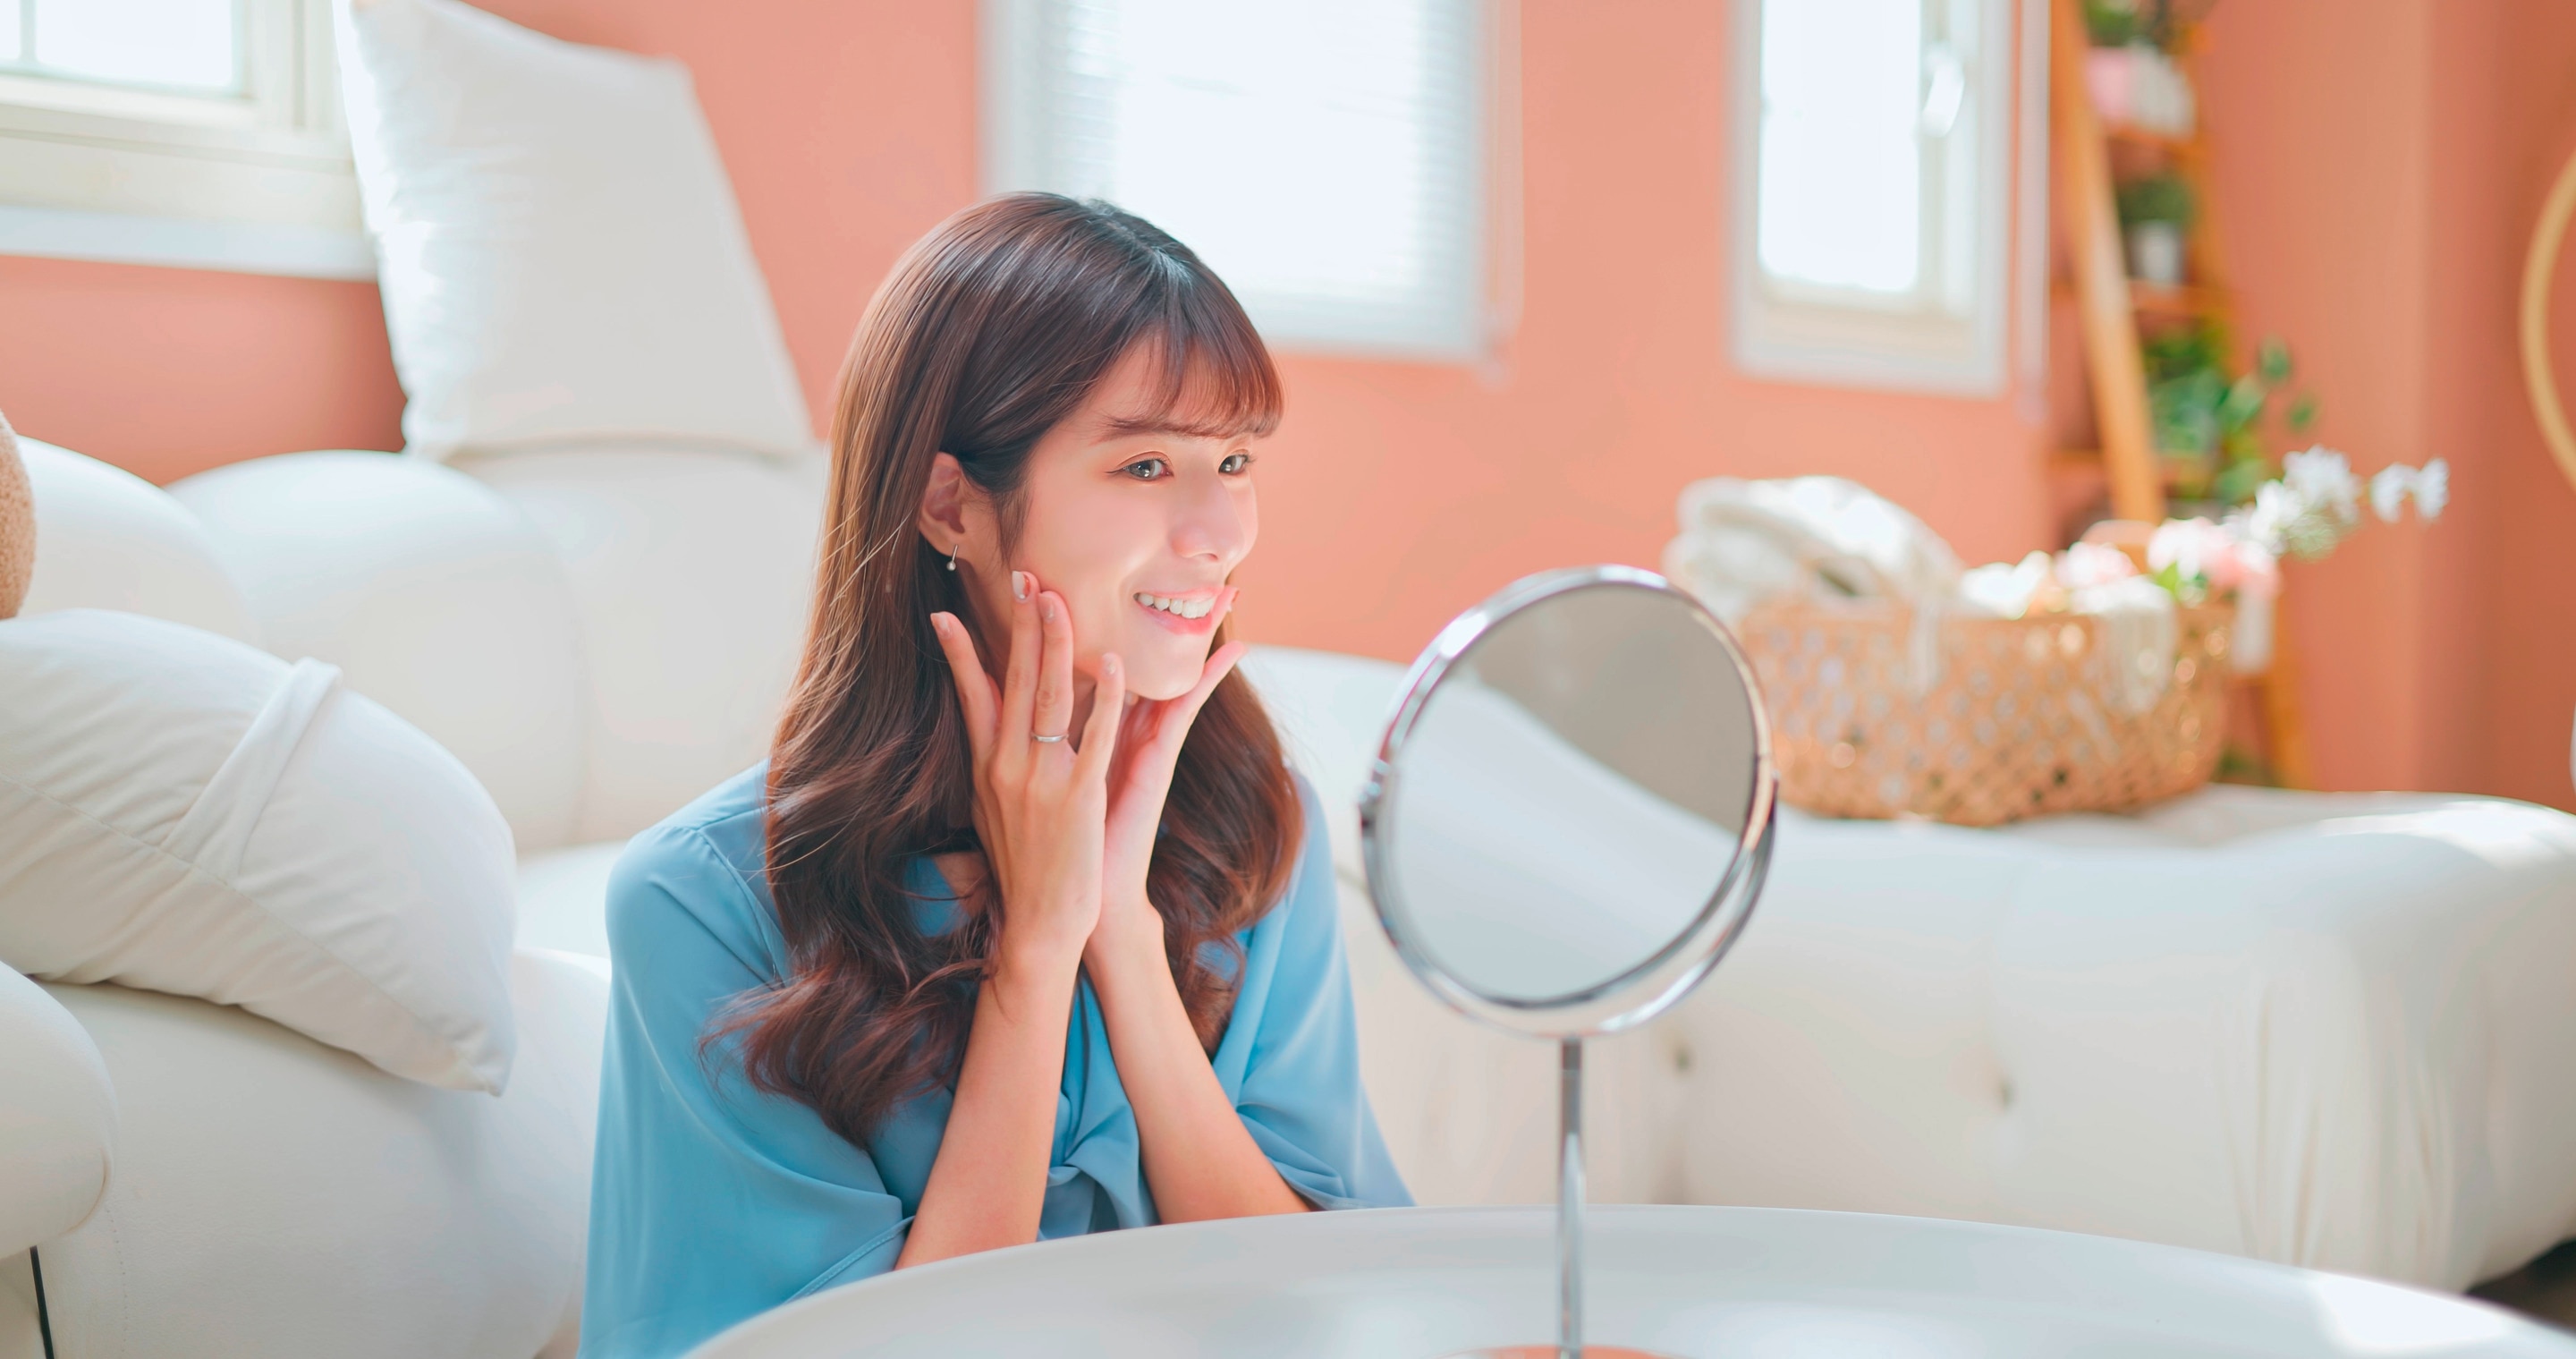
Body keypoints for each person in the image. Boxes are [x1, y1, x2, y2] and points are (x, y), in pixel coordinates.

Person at [578, 194, 1411, 1358]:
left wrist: (1122, 935)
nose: (1221, 528)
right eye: (1146, 464)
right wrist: (1037, 953)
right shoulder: (702, 905)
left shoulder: (1254, 827)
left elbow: (1330, 1307)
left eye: (1234, 460)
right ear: (951, 504)